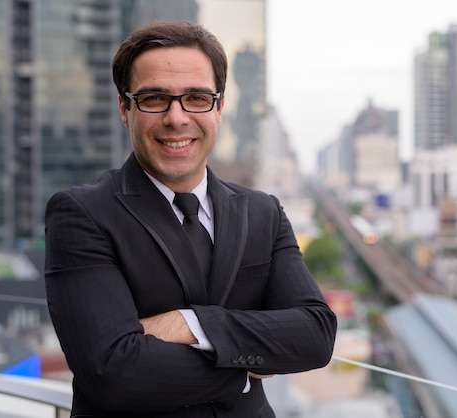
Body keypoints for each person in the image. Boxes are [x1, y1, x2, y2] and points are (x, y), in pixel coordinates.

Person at [44, 20, 337, 417]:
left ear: (219, 108)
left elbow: (316, 336)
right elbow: (113, 373)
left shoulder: (262, 211)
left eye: (197, 98)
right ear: (124, 109)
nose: (176, 118)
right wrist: (244, 369)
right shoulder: (83, 214)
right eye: (153, 98)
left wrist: (188, 324)